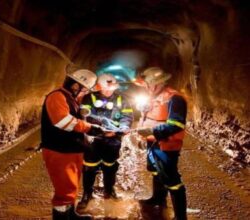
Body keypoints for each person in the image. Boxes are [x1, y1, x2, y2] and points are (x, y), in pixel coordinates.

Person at [41, 68, 109, 219]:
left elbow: (76, 116)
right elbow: (63, 121)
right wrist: (90, 128)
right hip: (59, 151)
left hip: (71, 149)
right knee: (64, 190)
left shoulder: (70, 98)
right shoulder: (57, 96)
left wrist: (89, 118)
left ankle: (71, 214)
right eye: (84, 90)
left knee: (71, 186)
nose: (85, 93)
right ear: (76, 86)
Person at [134, 67, 188, 220]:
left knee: (171, 179)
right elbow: (147, 119)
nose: (146, 88)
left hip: (166, 145)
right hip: (153, 143)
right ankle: (158, 199)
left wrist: (152, 131)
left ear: (157, 84)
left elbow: (176, 124)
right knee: (155, 171)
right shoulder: (153, 97)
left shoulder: (174, 99)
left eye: (148, 85)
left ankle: (180, 217)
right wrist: (141, 137)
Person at [77, 73, 134, 209]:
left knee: (110, 166)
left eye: (111, 88)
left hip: (113, 139)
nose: (109, 90)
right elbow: (85, 117)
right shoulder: (88, 98)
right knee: (90, 167)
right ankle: (87, 194)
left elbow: (127, 115)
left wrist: (123, 127)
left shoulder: (122, 99)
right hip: (93, 139)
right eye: (105, 88)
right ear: (99, 87)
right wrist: (101, 129)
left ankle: (109, 190)